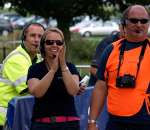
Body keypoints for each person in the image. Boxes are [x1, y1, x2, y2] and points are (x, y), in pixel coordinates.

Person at [88, 4, 150, 130]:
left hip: (145, 121)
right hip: (115, 122)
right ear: (123, 24)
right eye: (133, 20)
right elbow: (100, 87)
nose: (139, 24)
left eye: (143, 21)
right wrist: (92, 122)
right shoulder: (111, 49)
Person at [27, 27, 81, 130]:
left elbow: (73, 90)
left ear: (63, 46)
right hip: (43, 124)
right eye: (50, 42)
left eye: (59, 43)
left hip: (69, 124)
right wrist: (52, 70)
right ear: (43, 45)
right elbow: (37, 92)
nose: (54, 45)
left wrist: (63, 65)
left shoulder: (70, 67)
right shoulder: (35, 69)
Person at [0, 23, 45, 129]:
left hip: (19, 116)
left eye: (40, 36)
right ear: (24, 38)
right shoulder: (17, 59)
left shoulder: (38, 59)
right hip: (6, 119)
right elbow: (32, 90)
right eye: (32, 35)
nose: (37, 40)